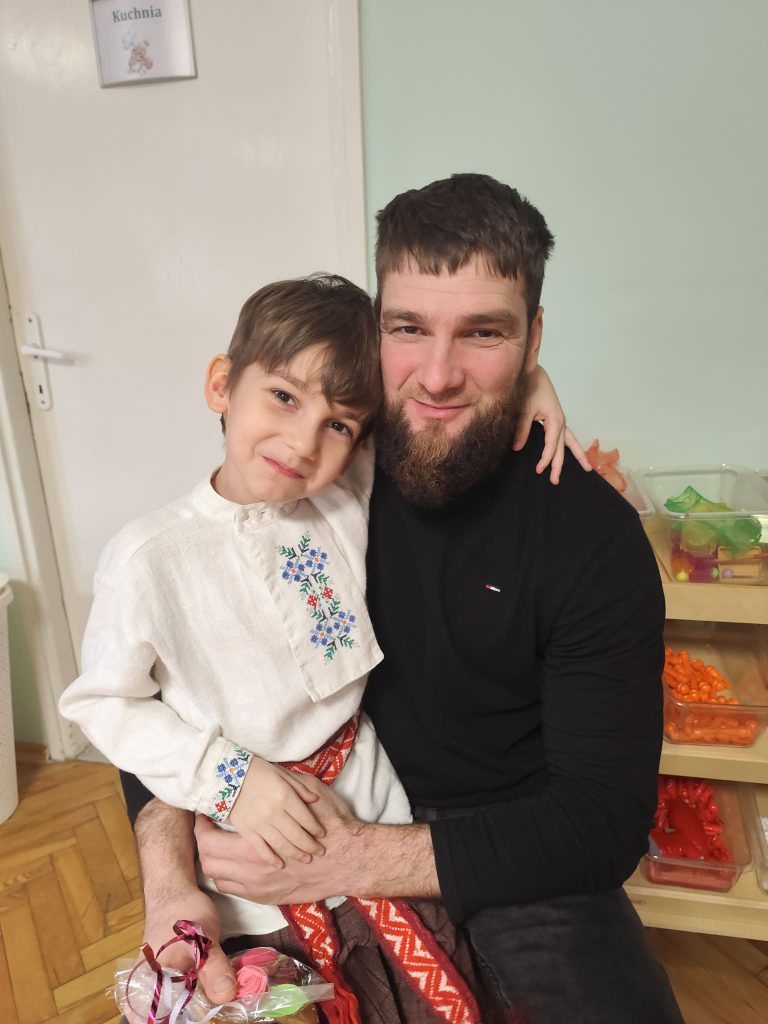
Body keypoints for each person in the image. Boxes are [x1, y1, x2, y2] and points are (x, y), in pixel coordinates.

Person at [121, 173, 683, 1024]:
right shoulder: (316, 466)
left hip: (512, 844)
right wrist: (170, 884)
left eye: (484, 332)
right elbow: (164, 679)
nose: (439, 376)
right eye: (409, 328)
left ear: (534, 339)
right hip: (285, 813)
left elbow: (600, 825)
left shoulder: (592, 538)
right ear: (375, 330)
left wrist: (355, 858)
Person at [60, 270, 574, 1024]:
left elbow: (430, 411)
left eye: (338, 425)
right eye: (283, 397)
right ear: (221, 384)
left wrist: (529, 380)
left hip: (378, 827)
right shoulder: (146, 557)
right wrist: (232, 780)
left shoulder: (339, 501)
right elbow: (106, 704)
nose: (304, 442)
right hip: (249, 870)